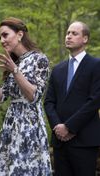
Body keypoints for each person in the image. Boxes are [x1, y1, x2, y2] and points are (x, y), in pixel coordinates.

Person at [0, 17, 52, 175]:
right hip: (11, 124)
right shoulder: (13, 62)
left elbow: (33, 96)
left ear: (20, 35)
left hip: (30, 125)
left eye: (5, 35)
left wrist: (15, 70)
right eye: (0, 37)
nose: (2, 40)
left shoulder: (39, 59)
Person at [44, 21, 100, 176]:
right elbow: (49, 102)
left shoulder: (96, 65)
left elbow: (95, 100)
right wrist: (58, 127)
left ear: (85, 39)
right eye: (68, 33)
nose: (68, 36)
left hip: (84, 140)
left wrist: (69, 127)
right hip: (60, 142)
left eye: (74, 33)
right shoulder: (57, 69)